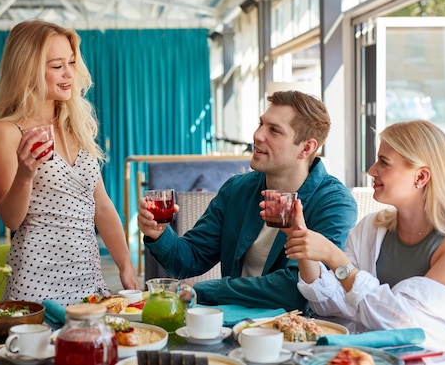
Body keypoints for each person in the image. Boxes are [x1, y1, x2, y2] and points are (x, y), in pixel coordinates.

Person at [137, 90, 358, 310]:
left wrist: (206, 290)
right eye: (261, 124)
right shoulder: (237, 189)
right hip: (232, 324)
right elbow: (189, 260)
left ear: (306, 147)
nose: (258, 135)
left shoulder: (335, 204)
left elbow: (295, 289)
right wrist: (159, 233)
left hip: (295, 331)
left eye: (274, 130)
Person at [0, 19, 139, 306]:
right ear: (26, 71)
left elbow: (102, 206)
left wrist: (126, 266)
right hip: (35, 283)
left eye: (71, 62)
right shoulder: (5, 132)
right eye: (57, 66)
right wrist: (25, 175)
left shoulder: (76, 124)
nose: (69, 73)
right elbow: (11, 218)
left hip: (90, 278)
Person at [284, 120, 445, 353]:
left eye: (384, 162)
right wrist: (304, 244)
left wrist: (335, 257)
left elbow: (403, 323)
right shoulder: (371, 228)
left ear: (420, 177)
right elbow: (333, 306)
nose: (371, 170)